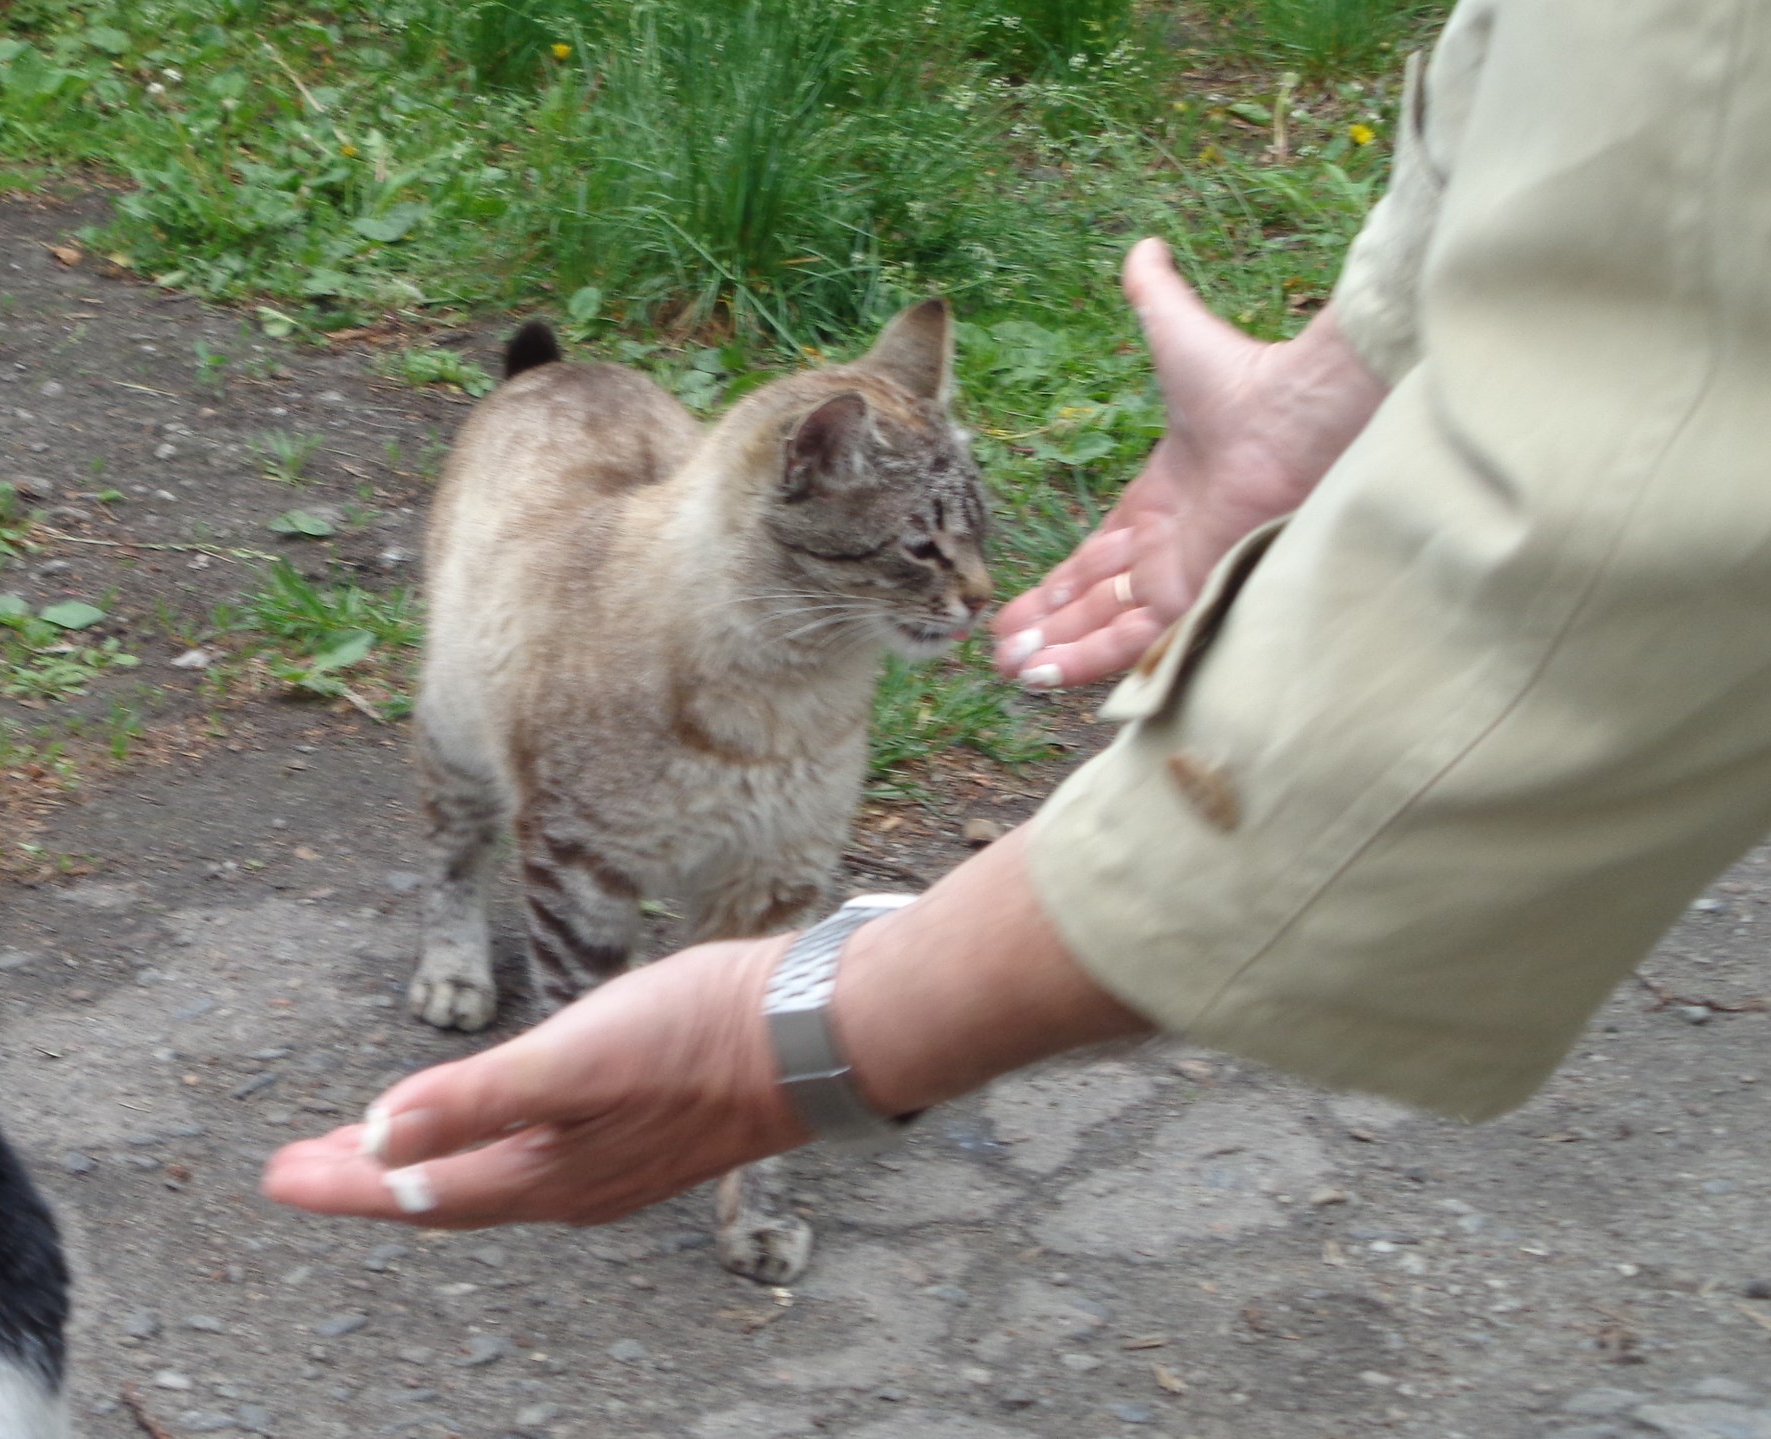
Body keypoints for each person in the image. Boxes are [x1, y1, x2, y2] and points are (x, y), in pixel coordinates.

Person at [264, 0, 1771, 1229]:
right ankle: (484, 949)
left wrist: (814, 1038)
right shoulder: (686, 586)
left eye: (965, 551)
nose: (970, 598)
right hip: (585, 601)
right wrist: (1339, 373)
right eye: (925, 564)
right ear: (795, 492)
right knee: (488, 808)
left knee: (760, 885)